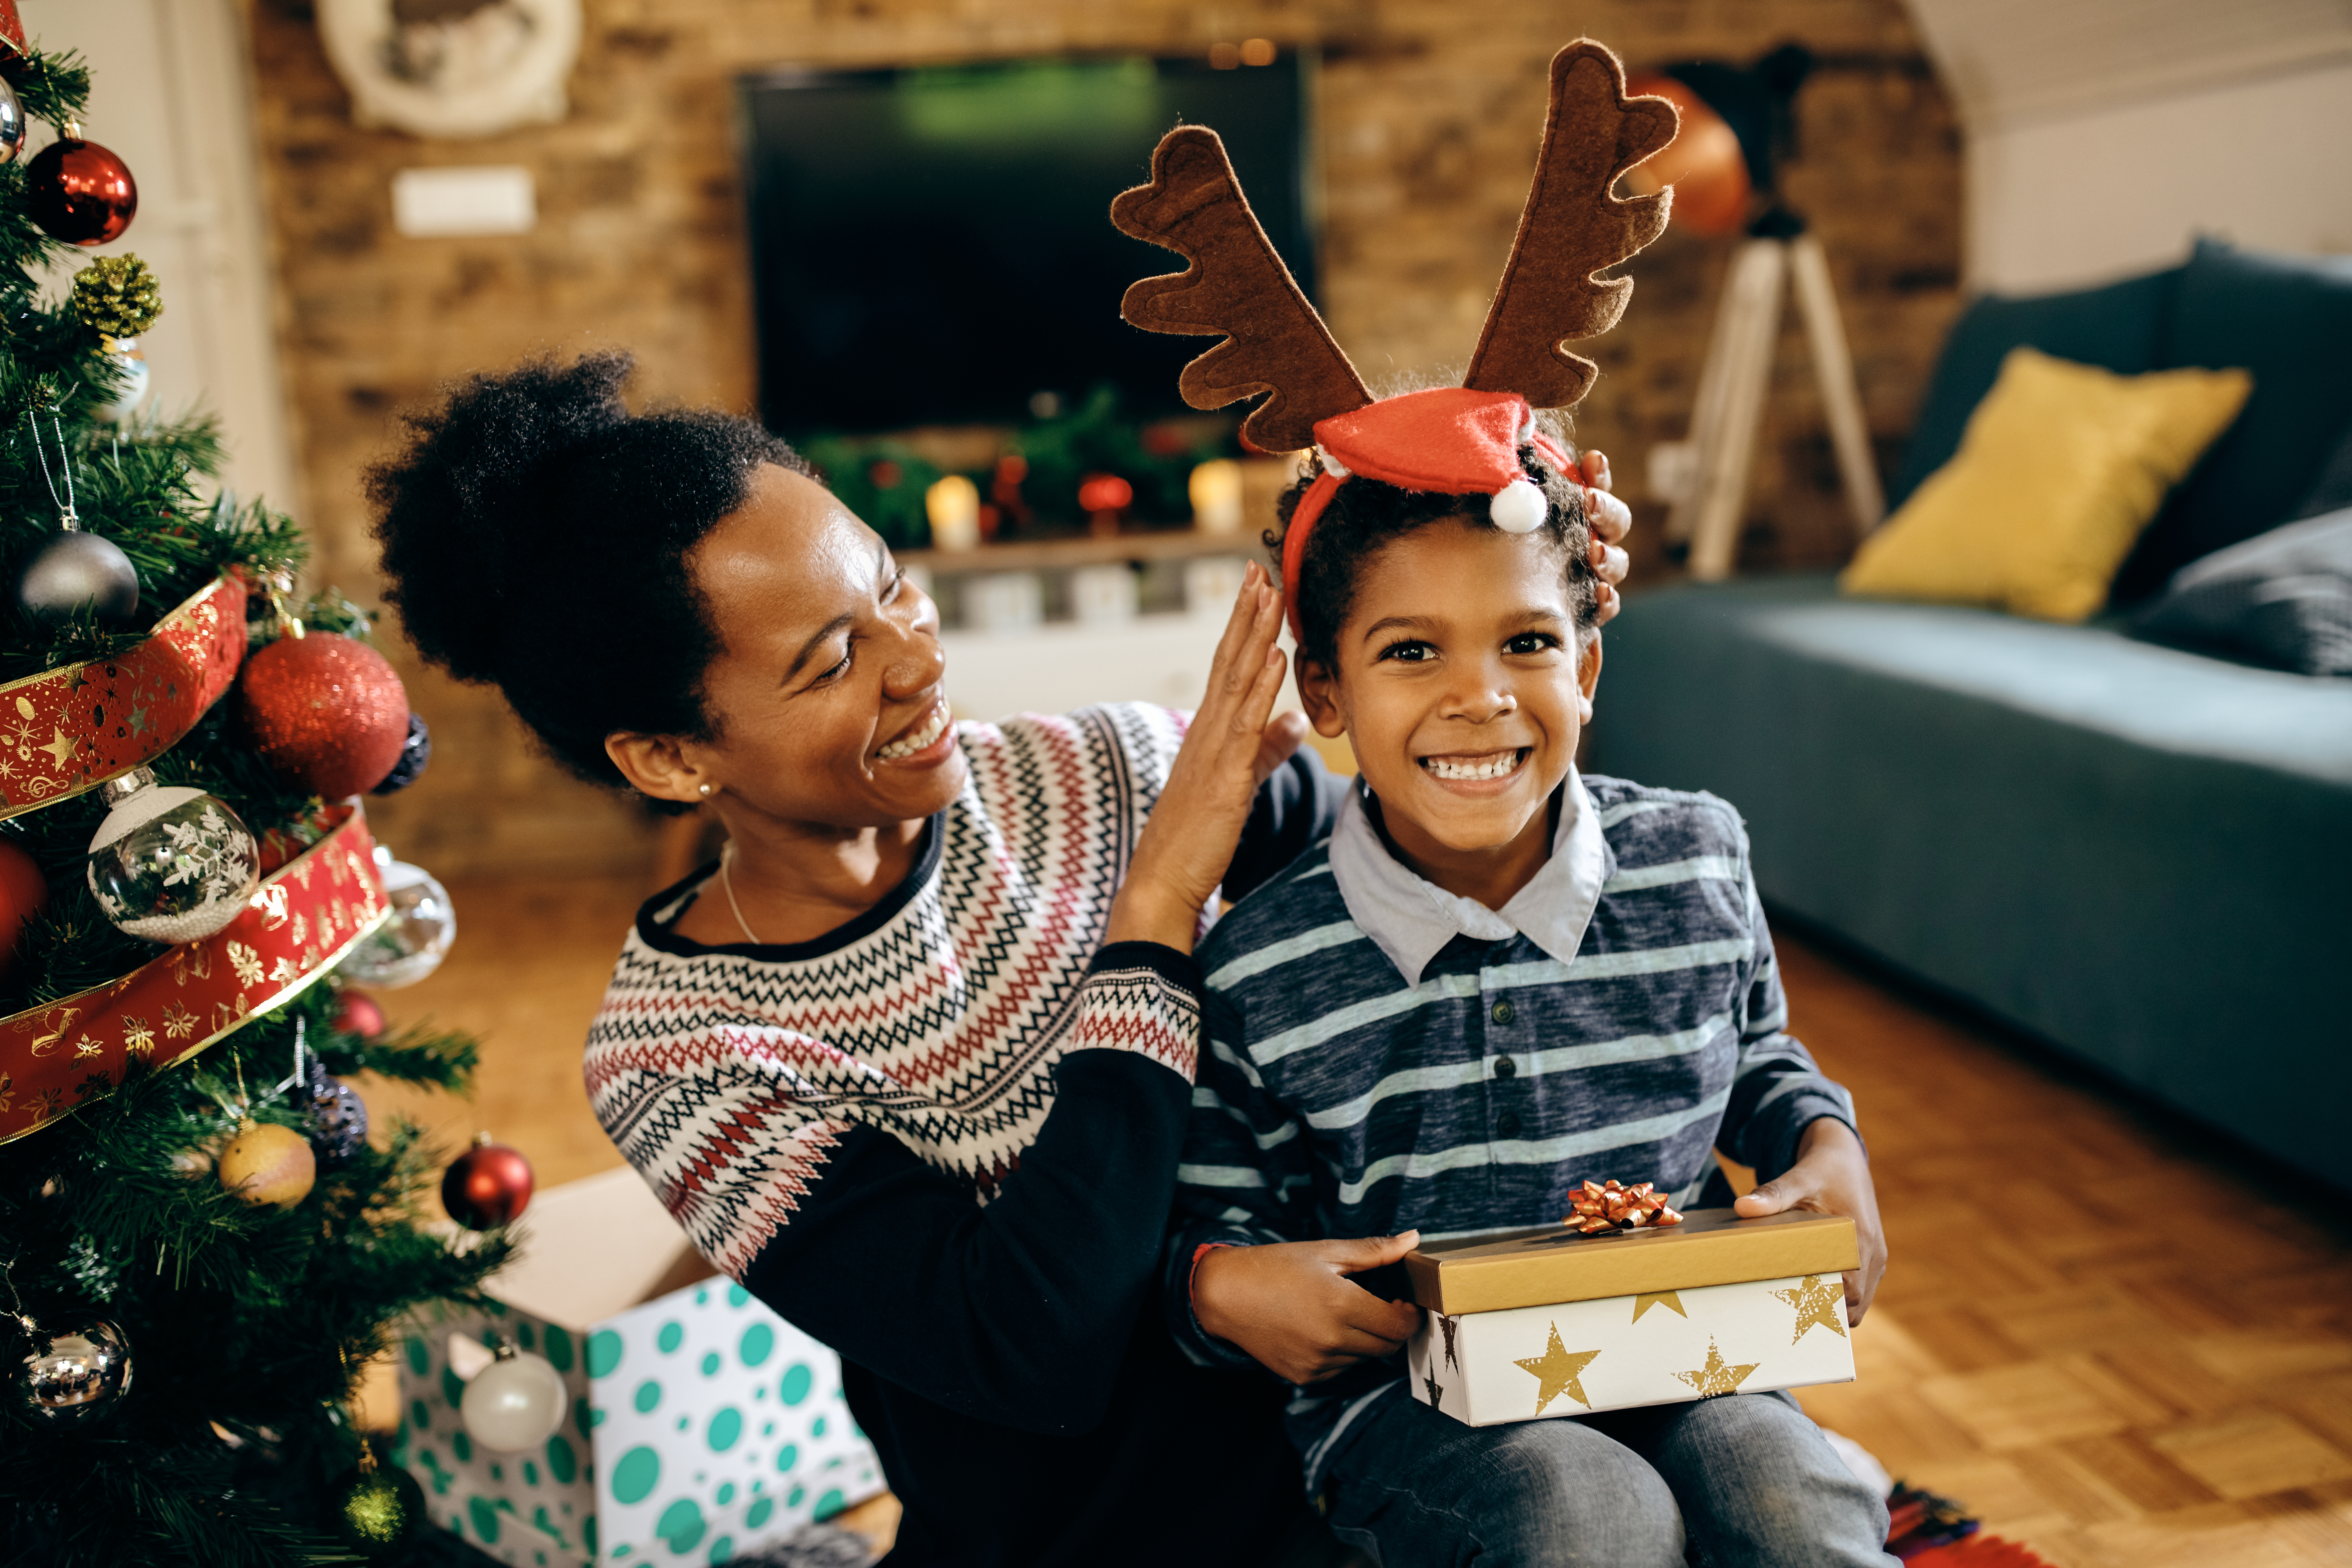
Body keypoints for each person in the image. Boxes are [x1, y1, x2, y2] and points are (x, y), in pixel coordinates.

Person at [365, 350, 1634, 1566]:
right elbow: (1029, 1352)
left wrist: (1518, 597)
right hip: (1091, 1543)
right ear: (672, 759)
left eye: (891, 586)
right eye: (830, 662)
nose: (919, 660)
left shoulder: (1118, 769)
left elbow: (1452, 923)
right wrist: (1156, 908)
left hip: (1372, 1453)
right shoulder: (683, 1060)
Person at [1165, 399, 1896, 1567]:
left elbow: (1756, 1058)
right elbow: (1212, 1230)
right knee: (1590, 1510)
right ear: (1326, 691)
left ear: (1587, 661)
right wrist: (1226, 1287)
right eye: (1413, 651)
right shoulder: (1260, 966)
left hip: (1689, 1350)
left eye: (1528, 642)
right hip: (1410, 1407)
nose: (1481, 696)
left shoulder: (1698, 859)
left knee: (1790, 1494)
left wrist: (1826, 1141)